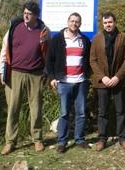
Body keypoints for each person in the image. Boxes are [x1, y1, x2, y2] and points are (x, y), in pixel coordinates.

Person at [0, 0, 51, 155]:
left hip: (36, 74)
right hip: (15, 73)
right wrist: (1, 71)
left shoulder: (44, 31)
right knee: (13, 108)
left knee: (36, 108)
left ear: (36, 16)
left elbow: (48, 54)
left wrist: (47, 73)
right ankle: (10, 142)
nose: (26, 16)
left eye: (30, 14)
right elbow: (4, 49)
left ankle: (37, 140)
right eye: (25, 13)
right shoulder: (13, 28)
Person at [45, 12, 91, 153]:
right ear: (67, 22)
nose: (74, 23)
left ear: (80, 24)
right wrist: (52, 77)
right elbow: (49, 60)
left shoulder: (84, 40)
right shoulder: (57, 39)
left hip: (81, 82)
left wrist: (88, 76)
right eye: (72, 21)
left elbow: (89, 59)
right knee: (64, 113)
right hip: (64, 82)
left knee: (81, 113)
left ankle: (79, 139)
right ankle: (62, 141)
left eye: (77, 21)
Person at [90, 12, 125, 151]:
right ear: (103, 24)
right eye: (105, 22)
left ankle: (123, 138)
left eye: (110, 22)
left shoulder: (124, 38)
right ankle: (102, 139)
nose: (108, 25)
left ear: (115, 22)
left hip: (118, 81)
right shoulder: (96, 39)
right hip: (103, 81)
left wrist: (117, 77)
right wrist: (103, 77)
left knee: (121, 111)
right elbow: (93, 60)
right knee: (103, 111)